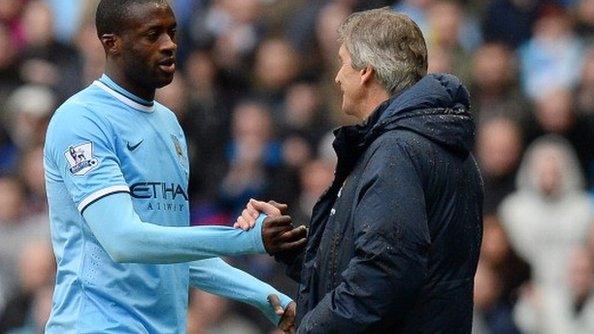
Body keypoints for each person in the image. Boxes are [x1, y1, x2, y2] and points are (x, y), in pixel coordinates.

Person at [42, 0, 306, 333]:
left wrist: (267, 296)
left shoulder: (169, 125)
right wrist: (244, 241)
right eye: (153, 34)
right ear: (112, 43)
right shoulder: (82, 119)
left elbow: (172, 250)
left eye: (172, 32)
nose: (170, 45)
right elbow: (123, 240)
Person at [237, 8, 483, 333]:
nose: (338, 76)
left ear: (366, 71)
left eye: (343, 61)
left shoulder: (397, 150)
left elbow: (383, 274)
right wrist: (291, 245)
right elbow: (378, 260)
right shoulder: (433, 143)